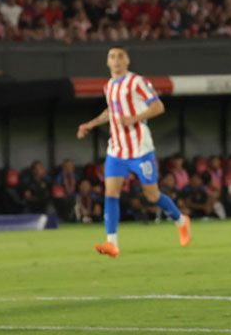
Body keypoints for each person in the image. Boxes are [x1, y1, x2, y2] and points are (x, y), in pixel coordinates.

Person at [76, 46, 190, 257]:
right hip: (117, 150)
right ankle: (112, 243)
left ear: (127, 61)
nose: (116, 60)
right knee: (111, 194)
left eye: (120, 56)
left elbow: (158, 107)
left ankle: (181, 221)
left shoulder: (137, 82)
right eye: (112, 57)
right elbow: (112, 110)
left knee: (152, 195)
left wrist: (134, 119)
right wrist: (90, 124)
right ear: (107, 62)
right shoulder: (109, 86)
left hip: (140, 149)